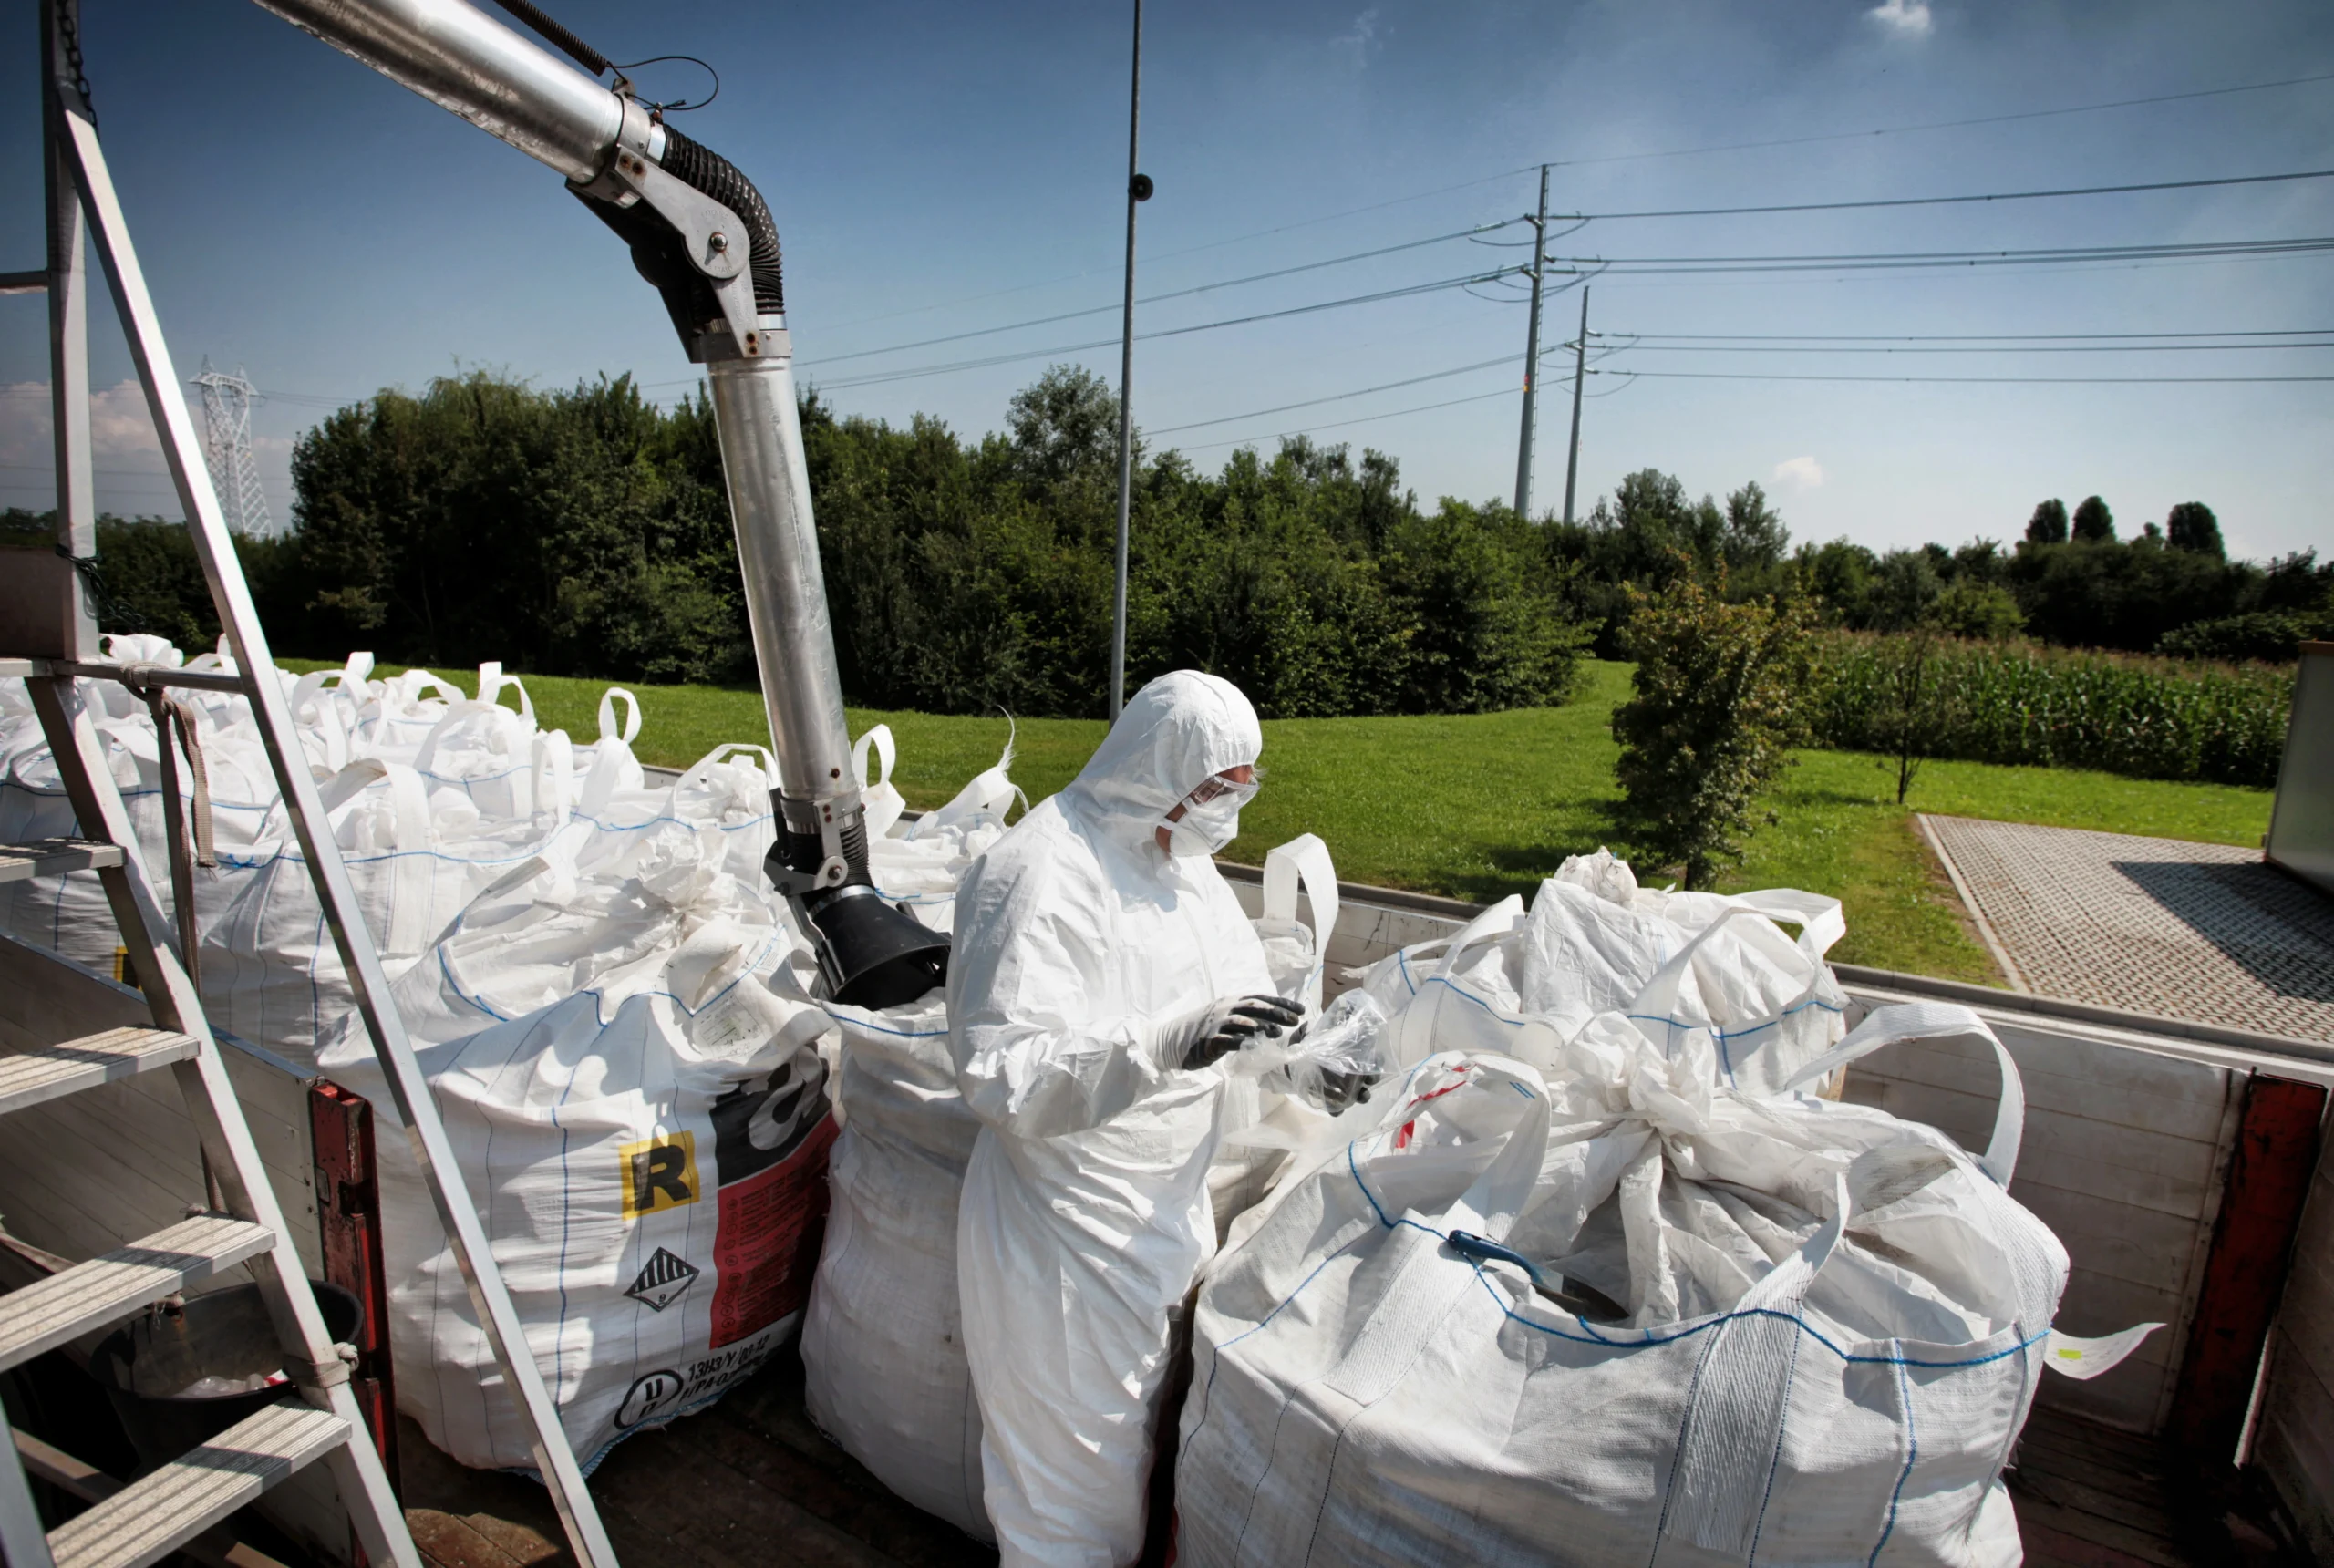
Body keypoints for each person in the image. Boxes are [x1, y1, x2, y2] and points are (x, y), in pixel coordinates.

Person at [949, 670, 1303, 1568]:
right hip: (1065, 1232)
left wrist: (1303, 1059)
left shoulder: (1179, 861)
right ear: (1160, 770)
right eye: (1217, 788)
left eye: (1240, 786)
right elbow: (1004, 1076)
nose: (1229, 807)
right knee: (1068, 1480)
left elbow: (1235, 1002)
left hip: (1161, 1208)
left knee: (1132, 1440)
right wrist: (1165, 1042)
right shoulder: (1035, 874)